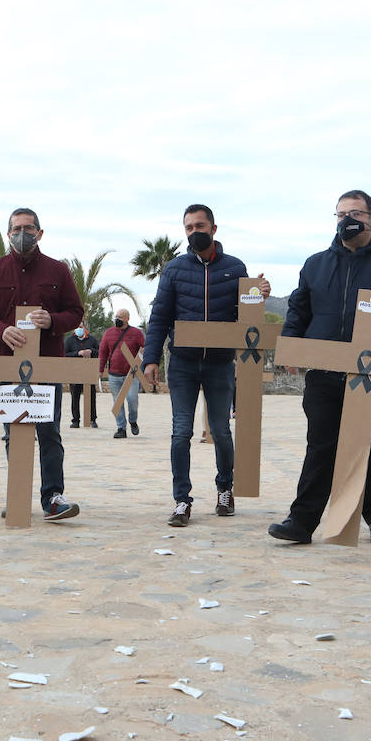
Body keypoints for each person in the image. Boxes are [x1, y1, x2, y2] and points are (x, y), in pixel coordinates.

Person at [269, 190, 371, 546]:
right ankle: (301, 521)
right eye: (340, 214)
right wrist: (290, 349)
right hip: (324, 373)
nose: (347, 220)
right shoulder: (315, 264)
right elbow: (298, 310)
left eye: (354, 213)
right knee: (320, 444)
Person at [144, 204, 269, 527]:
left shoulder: (235, 267)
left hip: (219, 364)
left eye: (200, 226)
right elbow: (159, 317)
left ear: (213, 229)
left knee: (222, 432)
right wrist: (150, 359)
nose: (194, 232)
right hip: (183, 364)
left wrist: (260, 295)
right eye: (188, 227)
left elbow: (247, 317)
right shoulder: (174, 269)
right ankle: (182, 500)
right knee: (180, 433)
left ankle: (224, 489)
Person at [0, 207, 85, 521]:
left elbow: (75, 313)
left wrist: (52, 320)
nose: (23, 233)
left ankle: (53, 498)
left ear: (40, 233)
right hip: (8, 367)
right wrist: (1, 329)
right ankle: (17, 493)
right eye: (17, 228)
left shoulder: (58, 271)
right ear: (8, 233)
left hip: (47, 365)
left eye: (29, 228)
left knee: (49, 432)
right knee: (13, 432)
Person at [99, 308, 145, 438]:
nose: (117, 319)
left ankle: (133, 420)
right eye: (116, 316)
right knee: (117, 402)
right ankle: (121, 428)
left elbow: (144, 348)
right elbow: (103, 352)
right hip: (114, 374)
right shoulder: (108, 333)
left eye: (120, 317)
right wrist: (100, 370)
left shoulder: (137, 333)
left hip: (132, 374)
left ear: (127, 319)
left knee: (132, 400)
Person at [64, 323, 99, 429]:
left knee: (91, 396)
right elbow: (64, 355)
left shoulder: (92, 340)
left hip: (89, 372)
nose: (79, 329)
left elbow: (99, 352)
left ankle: (92, 419)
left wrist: (91, 351)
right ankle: (75, 420)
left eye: (81, 327)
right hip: (74, 372)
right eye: (77, 327)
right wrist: (78, 353)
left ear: (85, 328)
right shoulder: (69, 340)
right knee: (75, 396)